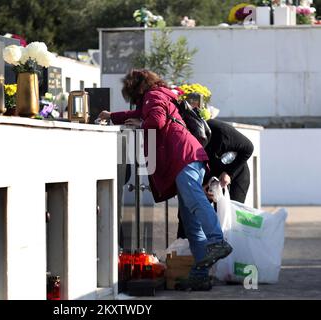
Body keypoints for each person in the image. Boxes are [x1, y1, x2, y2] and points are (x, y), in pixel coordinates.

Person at [98, 69, 232, 291]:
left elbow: (155, 122)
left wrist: (139, 125)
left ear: (137, 88)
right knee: (191, 222)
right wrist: (111, 116)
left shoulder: (153, 96)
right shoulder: (160, 95)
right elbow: (143, 114)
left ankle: (217, 241)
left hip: (182, 157)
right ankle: (200, 275)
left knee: (196, 203)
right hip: (191, 156)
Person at [177, 118, 254, 239]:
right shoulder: (185, 144)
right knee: (190, 211)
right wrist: (200, 189)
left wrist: (229, 173)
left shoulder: (222, 133)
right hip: (208, 178)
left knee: (229, 217)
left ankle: (229, 250)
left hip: (235, 173)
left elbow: (248, 147)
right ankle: (183, 249)